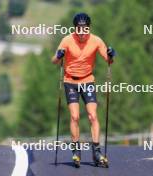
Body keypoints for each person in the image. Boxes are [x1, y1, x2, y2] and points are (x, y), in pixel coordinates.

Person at [52, 12, 115, 167]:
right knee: (74, 117)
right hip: (70, 81)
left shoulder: (96, 40)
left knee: (93, 115)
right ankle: (76, 150)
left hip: (87, 81)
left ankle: (97, 151)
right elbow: (54, 61)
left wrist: (111, 54)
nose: (82, 32)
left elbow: (109, 61)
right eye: (79, 29)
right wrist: (59, 56)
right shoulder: (67, 40)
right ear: (75, 29)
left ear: (88, 28)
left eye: (85, 29)